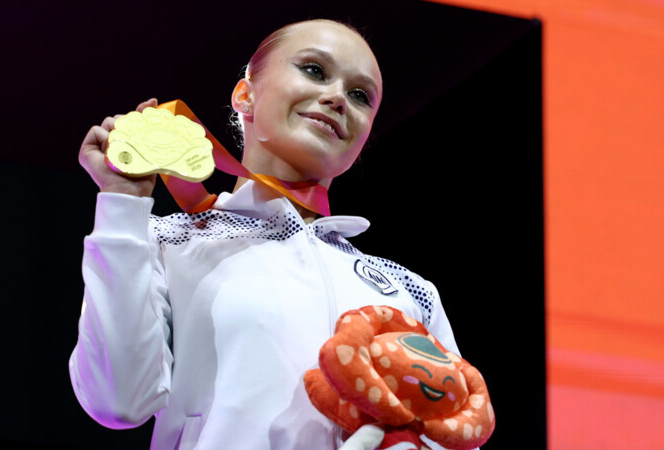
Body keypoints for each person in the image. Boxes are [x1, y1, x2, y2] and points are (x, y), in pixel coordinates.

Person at [70, 19, 469, 449]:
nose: (338, 98)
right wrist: (123, 204)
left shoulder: (408, 292)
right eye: (314, 70)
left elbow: (454, 431)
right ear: (245, 94)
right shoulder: (167, 242)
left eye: (360, 96)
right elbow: (119, 401)